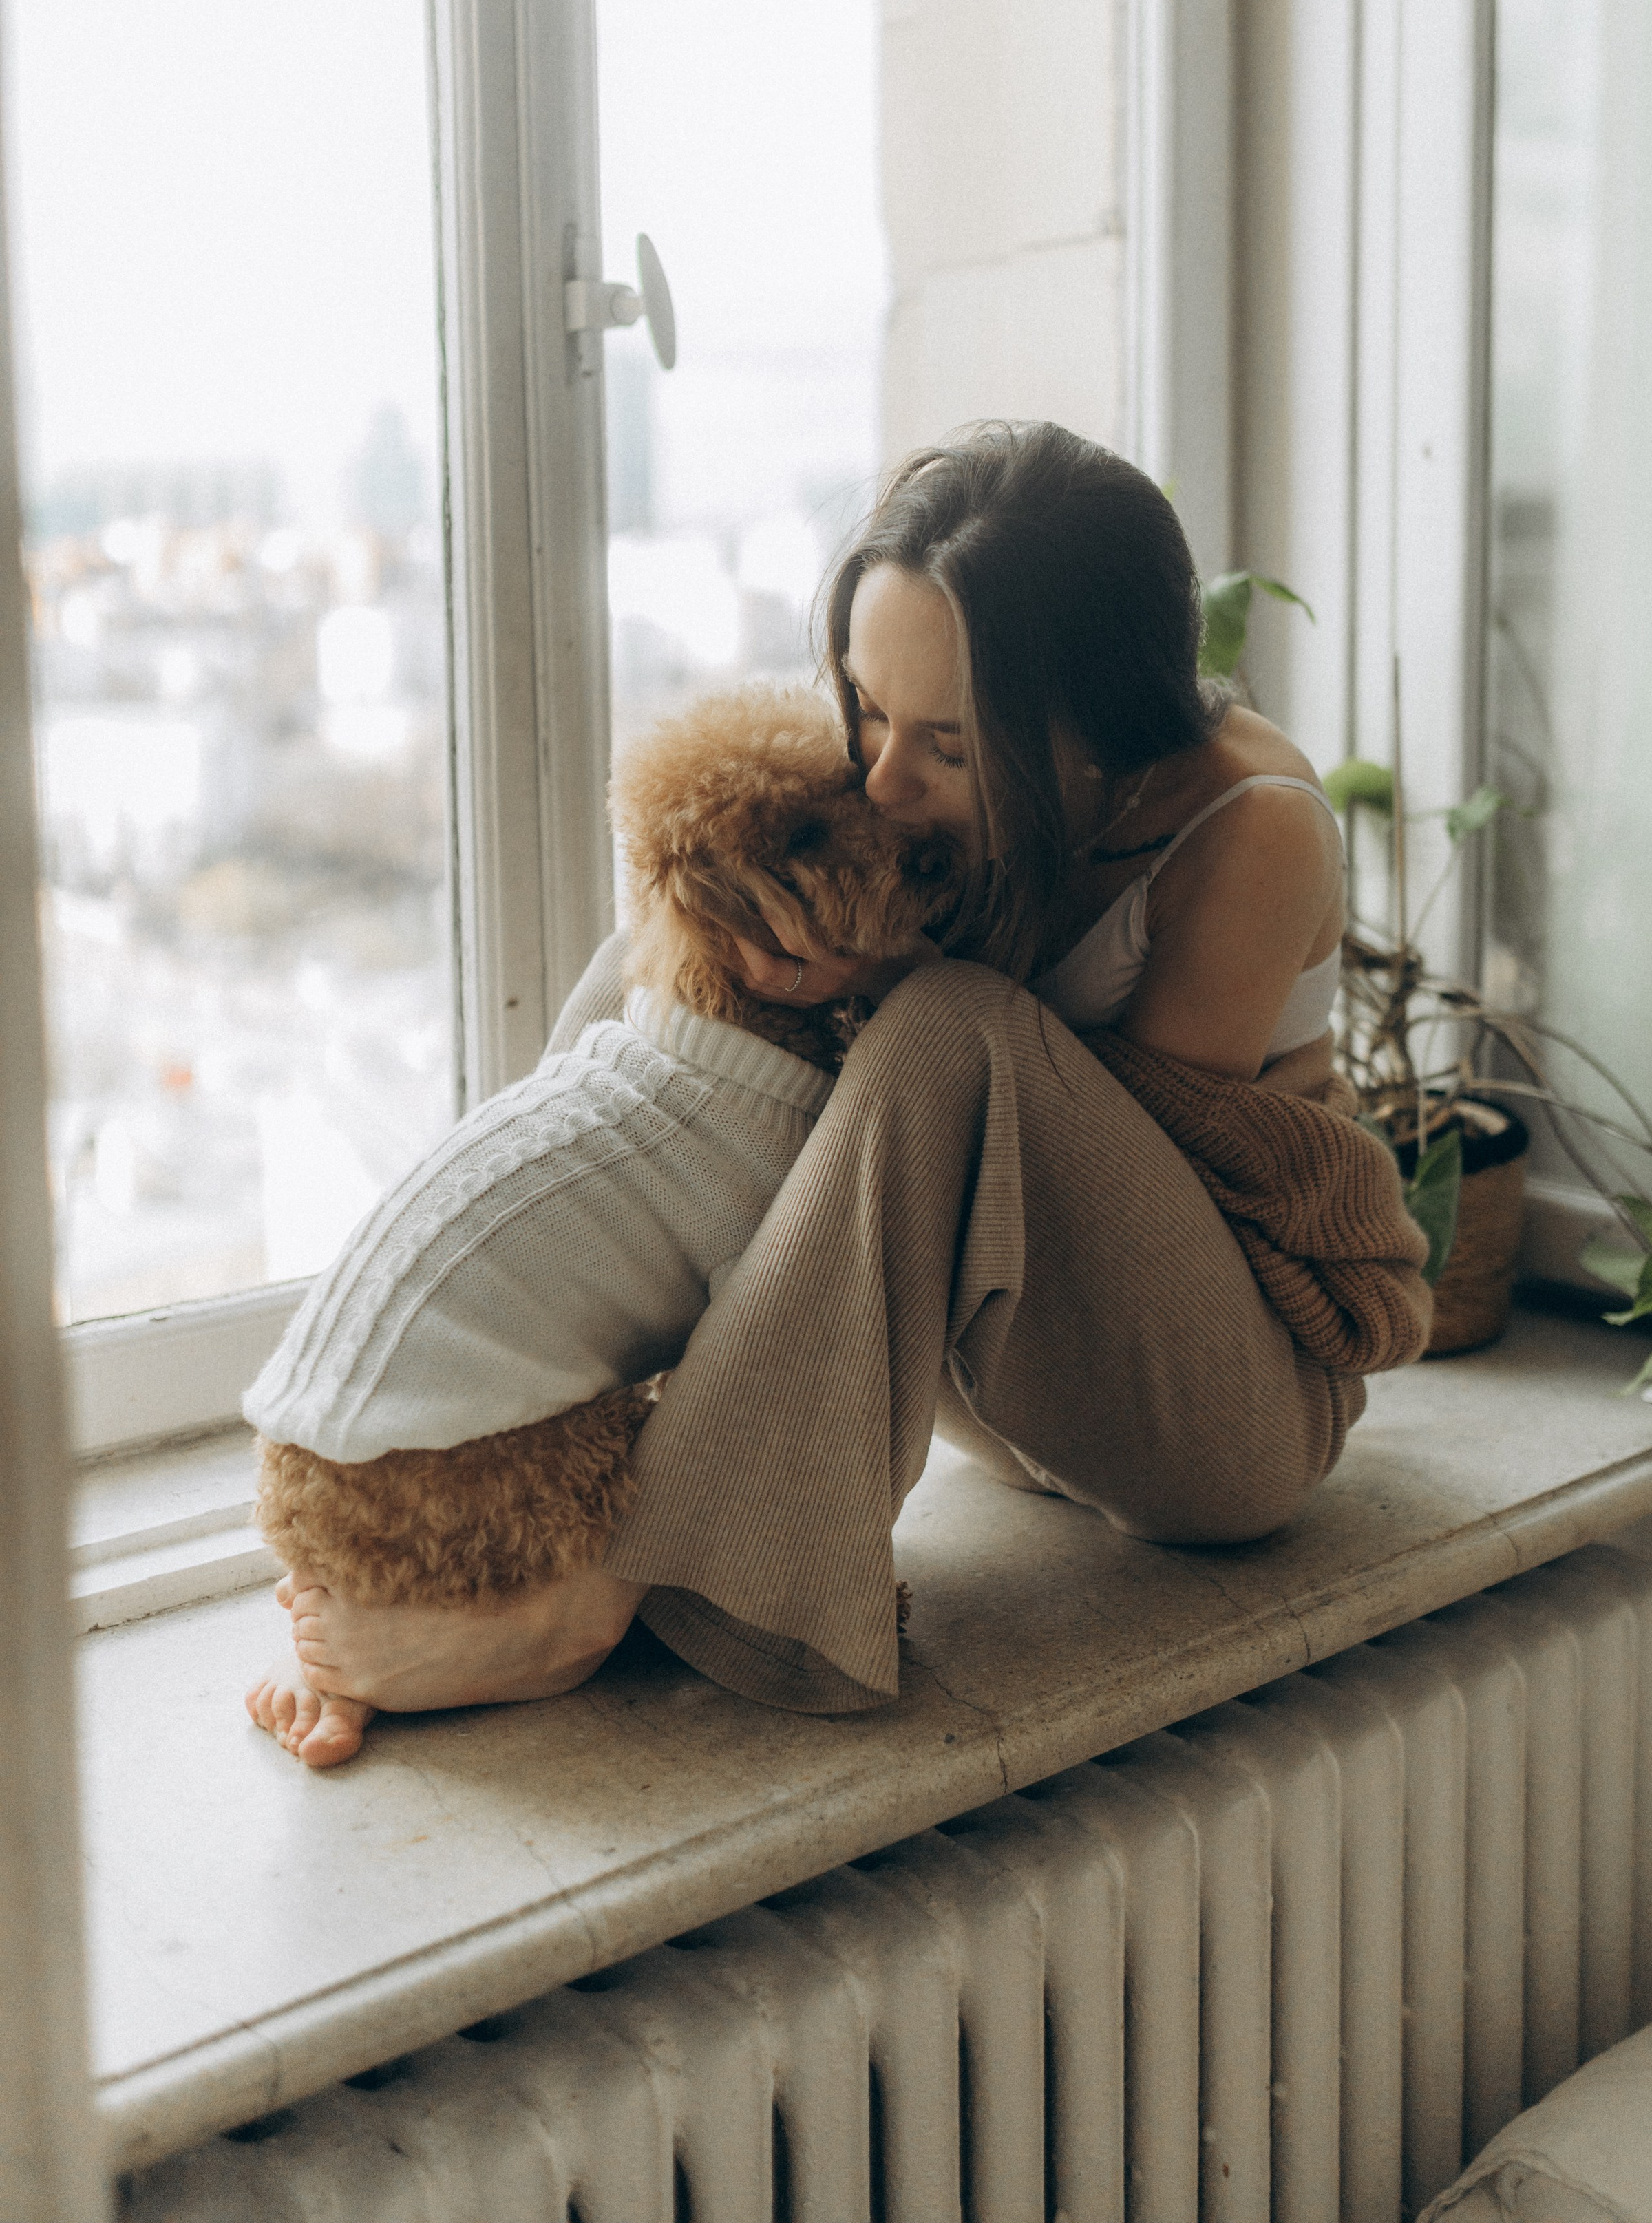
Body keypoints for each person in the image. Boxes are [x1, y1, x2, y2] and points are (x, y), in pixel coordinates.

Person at [258, 421, 1368, 1758]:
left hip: (1204, 1412)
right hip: (990, 1381)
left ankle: (592, 1597)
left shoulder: (1251, 828)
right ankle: (471, 1498)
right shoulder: (933, 784)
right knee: (682, 933)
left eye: (948, 743)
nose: (886, 781)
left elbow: (1107, 1176)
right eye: (869, 710)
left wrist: (884, 968)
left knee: (946, 1025)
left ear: (1091, 720)